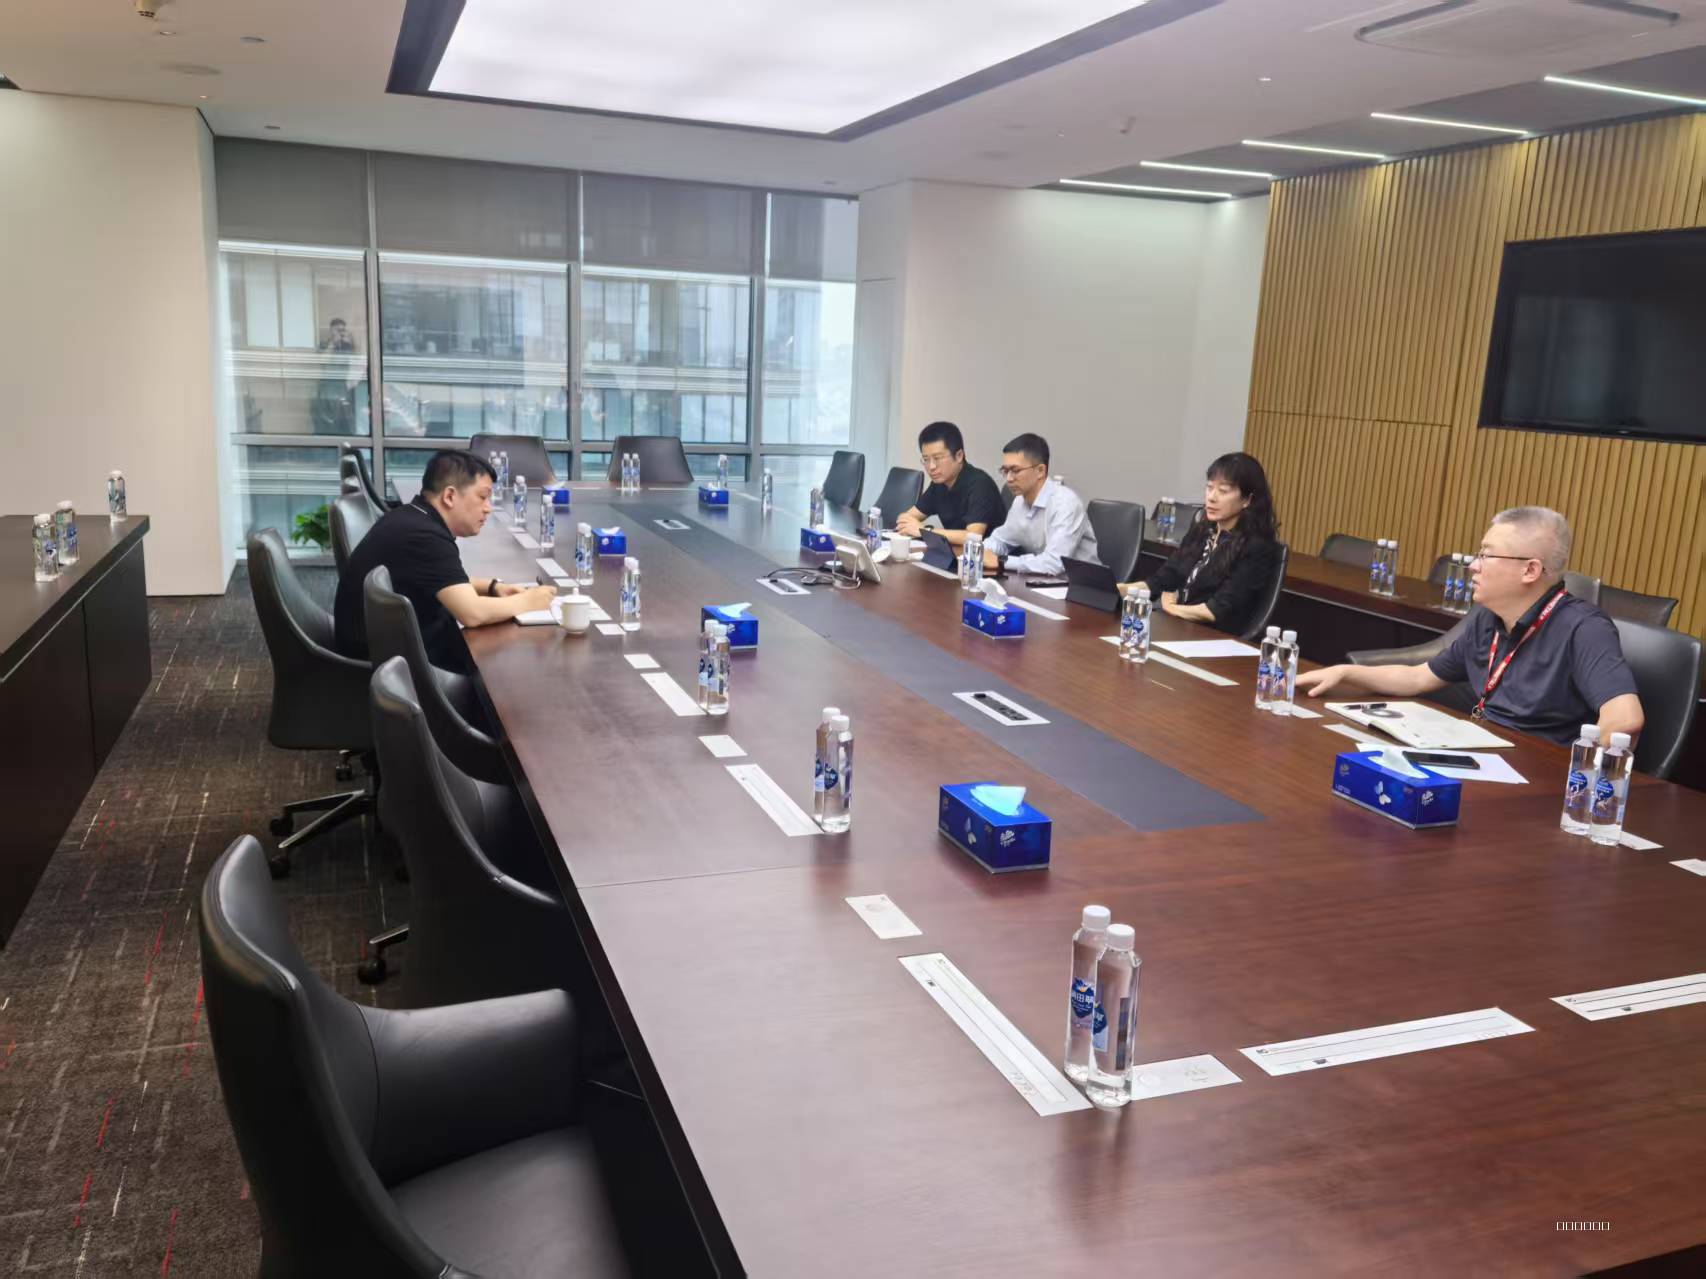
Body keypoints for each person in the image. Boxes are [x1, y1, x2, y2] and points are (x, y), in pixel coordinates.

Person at [1297, 507, 1643, 746]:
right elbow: (1419, 677)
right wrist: (1345, 673)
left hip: (1538, 772)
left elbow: (1625, 719)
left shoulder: (1584, 628)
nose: (1474, 566)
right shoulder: (1488, 617)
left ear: (1530, 570)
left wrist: (1579, 776)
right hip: (1484, 749)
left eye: (1487, 555)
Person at [333, 449, 555, 672]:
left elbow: (442, 579)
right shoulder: (425, 537)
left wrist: (492, 587)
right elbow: (472, 613)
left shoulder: (411, 516)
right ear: (449, 496)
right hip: (392, 670)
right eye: (482, 497)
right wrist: (529, 601)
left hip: (384, 653)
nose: (488, 508)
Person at [1120, 452, 1280, 636]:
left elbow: (1217, 610)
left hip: (1210, 636)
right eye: (1209, 488)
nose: (1212, 497)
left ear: (1247, 500)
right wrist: (1119, 590)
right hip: (1177, 626)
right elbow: (1164, 579)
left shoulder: (1256, 547)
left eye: (1223, 491)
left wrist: (1172, 608)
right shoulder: (1203, 530)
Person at [979, 433, 1098, 576]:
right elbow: (1001, 540)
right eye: (1005, 471)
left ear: (1040, 470)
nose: (1009, 478)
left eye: (1015, 471)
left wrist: (1001, 561)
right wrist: (980, 552)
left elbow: (1054, 563)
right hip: (1042, 581)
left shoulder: (1065, 504)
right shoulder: (1020, 501)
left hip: (1081, 585)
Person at [893, 421, 1005, 547]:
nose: (931, 467)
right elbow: (906, 517)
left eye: (937, 458)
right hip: (955, 553)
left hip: (988, 557)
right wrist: (907, 523)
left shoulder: (980, 485)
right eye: (926, 459)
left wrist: (925, 531)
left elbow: (973, 537)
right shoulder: (939, 483)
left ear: (959, 456)